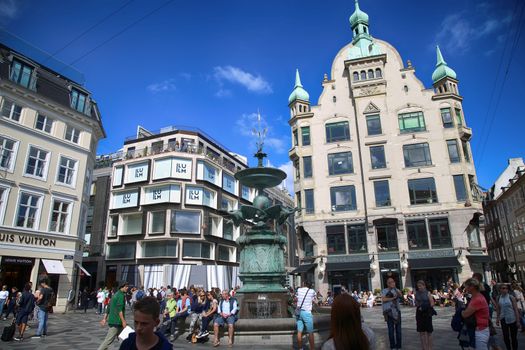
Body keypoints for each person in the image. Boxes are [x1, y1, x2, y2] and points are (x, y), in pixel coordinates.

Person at [98, 282, 129, 350]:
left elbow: (108, 308)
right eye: (126, 286)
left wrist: (104, 318)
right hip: (117, 322)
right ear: (122, 287)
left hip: (115, 322)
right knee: (108, 341)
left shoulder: (115, 294)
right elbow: (119, 310)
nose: (127, 288)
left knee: (125, 339)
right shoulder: (120, 295)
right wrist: (123, 321)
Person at [461, 278, 490, 349]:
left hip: (480, 330)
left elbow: (465, 314)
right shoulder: (476, 297)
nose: (465, 288)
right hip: (480, 328)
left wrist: (461, 311)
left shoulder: (477, 299)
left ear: (472, 287)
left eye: (466, 286)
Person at [496, 284, 521, 350]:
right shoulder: (498, 297)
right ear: (500, 289)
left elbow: (515, 309)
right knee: (505, 336)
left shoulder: (511, 297)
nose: (504, 290)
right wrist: (497, 319)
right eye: (503, 288)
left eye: (506, 288)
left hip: (512, 318)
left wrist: (518, 321)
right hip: (503, 318)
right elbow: (498, 309)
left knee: (513, 337)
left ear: (508, 289)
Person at [382, 277, 402, 350]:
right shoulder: (384, 290)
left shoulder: (396, 290)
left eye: (393, 282)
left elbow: (400, 295)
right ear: (387, 284)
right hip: (389, 312)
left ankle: (399, 346)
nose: (391, 283)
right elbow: (383, 299)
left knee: (398, 331)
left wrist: (395, 288)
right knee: (391, 331)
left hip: (397, 312)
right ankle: (392, 346)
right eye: (390, 282)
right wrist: (392, 298)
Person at [295, 282, 317, 350]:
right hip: (307, 313)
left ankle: (300, 348)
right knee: (310, 332)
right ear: (310, 285)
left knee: (299, 331)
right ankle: (312, 349)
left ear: (304, 284)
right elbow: (315, 300)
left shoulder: (298, 290)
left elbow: (296, 299)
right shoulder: (312, 291)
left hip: (299, 312)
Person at [415, 280, 435, 350]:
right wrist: (418, 304)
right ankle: (424, 348)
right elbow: (416, 303)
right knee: (421, 331)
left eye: (420, 286)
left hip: (427, 312)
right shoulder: (416, 293)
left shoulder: (428, 293)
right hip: (419, 313)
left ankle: (430, 348)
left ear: (424, 286)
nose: (419, 288)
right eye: (418, 286)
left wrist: (426, 306)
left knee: (429, 331)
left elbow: (432, 303)